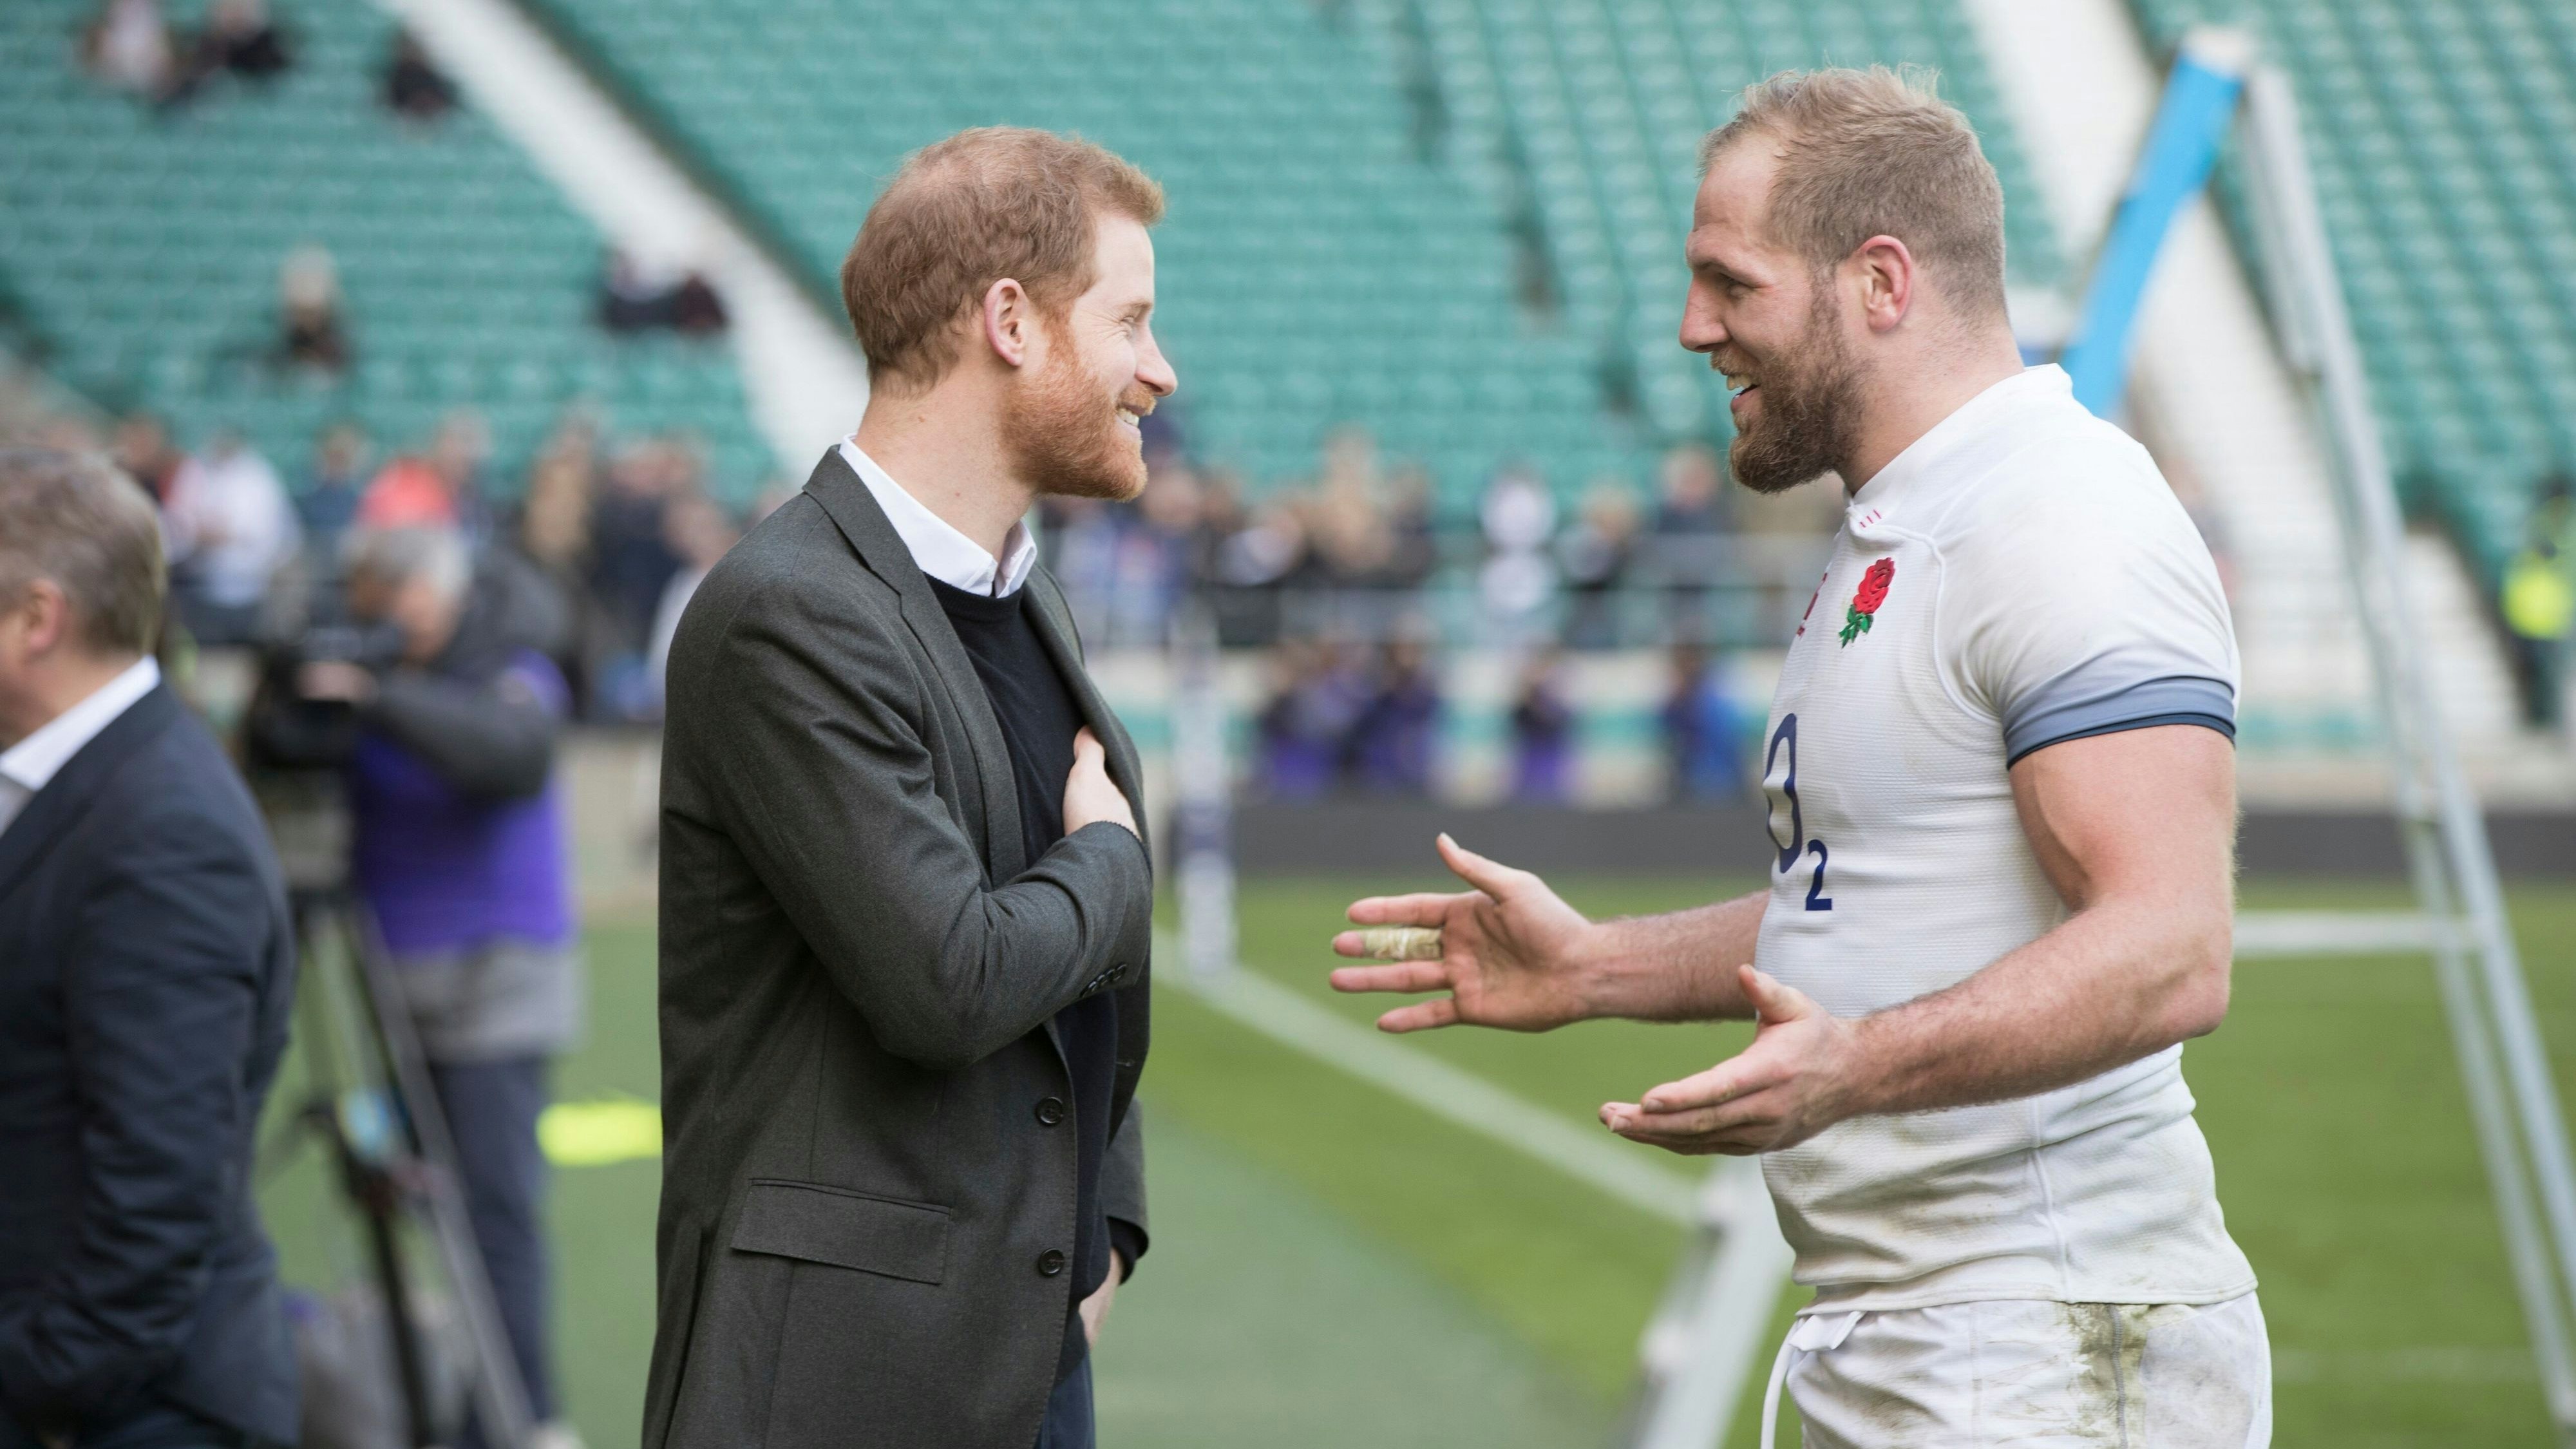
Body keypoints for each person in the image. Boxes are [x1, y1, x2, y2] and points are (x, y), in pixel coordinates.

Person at [1333, 68, 2265, 1448]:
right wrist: (1595, 966)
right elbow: (1865, 904)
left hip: (2046, 1342)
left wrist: (1863, 1067)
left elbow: (2170, 945)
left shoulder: (2057, 518)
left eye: (1728, 281)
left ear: (1878, 282)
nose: (1690, 327)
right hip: (1926, 1331)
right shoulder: (1901, 527)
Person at [650, 126, 1167, 1449]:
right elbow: (949, 979)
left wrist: (1100, 1226)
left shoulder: (1020, 587)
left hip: (1029, 1349)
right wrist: (1112, 866)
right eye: (1130, 322)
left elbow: (1080, 1011)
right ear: (1009, 319)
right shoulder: (788, 612)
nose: (1157, 372)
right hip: (841, 1378)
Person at [0, 448, 299, 1449]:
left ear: (39, 619)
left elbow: (158, 1200)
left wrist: (35, 1385)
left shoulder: (166, 831)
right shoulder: (75, 780)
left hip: (124, 1415)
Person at [290, 526, 580, 1449]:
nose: (384, 621)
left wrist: (376, 695)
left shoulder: (514, 665)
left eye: (398, 601)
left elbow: (508, 757)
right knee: (408, 1194)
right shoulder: (363, 670)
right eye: (371, 603)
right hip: (387, 982)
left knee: (492, 1210)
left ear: (441, 590)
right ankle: (455, 1405)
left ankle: (524, 1418)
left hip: (498, 978)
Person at [160, 429, 299, 646]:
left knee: (240, 653)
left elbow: (265, 535)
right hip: (197, 588)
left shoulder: (258, 476)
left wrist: (222, 532)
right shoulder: (195, 469)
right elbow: (178, 523)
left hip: (248, 589)